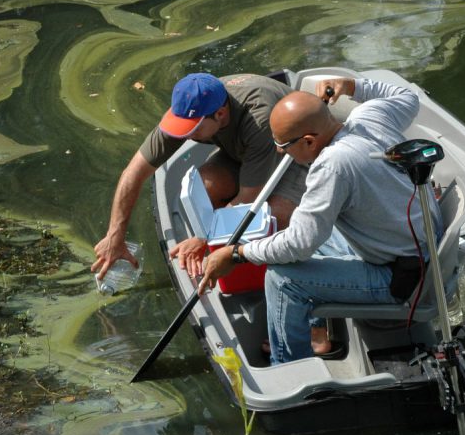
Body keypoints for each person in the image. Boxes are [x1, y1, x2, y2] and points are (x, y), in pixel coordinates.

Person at [198, 77, 442, 364]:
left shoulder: (332, 167)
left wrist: (237, 253)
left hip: (401, 278)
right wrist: (353, 86)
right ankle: (316, 333)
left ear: (309, 141)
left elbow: (299, 245)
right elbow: (406, 95)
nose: (279, 151)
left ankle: (289, 367)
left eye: (283, 145)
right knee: (300, 233)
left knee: (282, 279)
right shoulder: (367, 116)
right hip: (413, 246)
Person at [92, 72, 307, 281]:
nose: (183, 135)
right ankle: (223, 255)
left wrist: (202, 238)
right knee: (203, 190)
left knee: (275, 217)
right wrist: (115, 236)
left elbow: (249, 199)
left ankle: (266, 274)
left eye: (191, 129)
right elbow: (133, 174)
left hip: (294, 156)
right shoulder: (190, 107)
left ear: (221, 114)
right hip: (242, 153)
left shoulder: (258, 119)